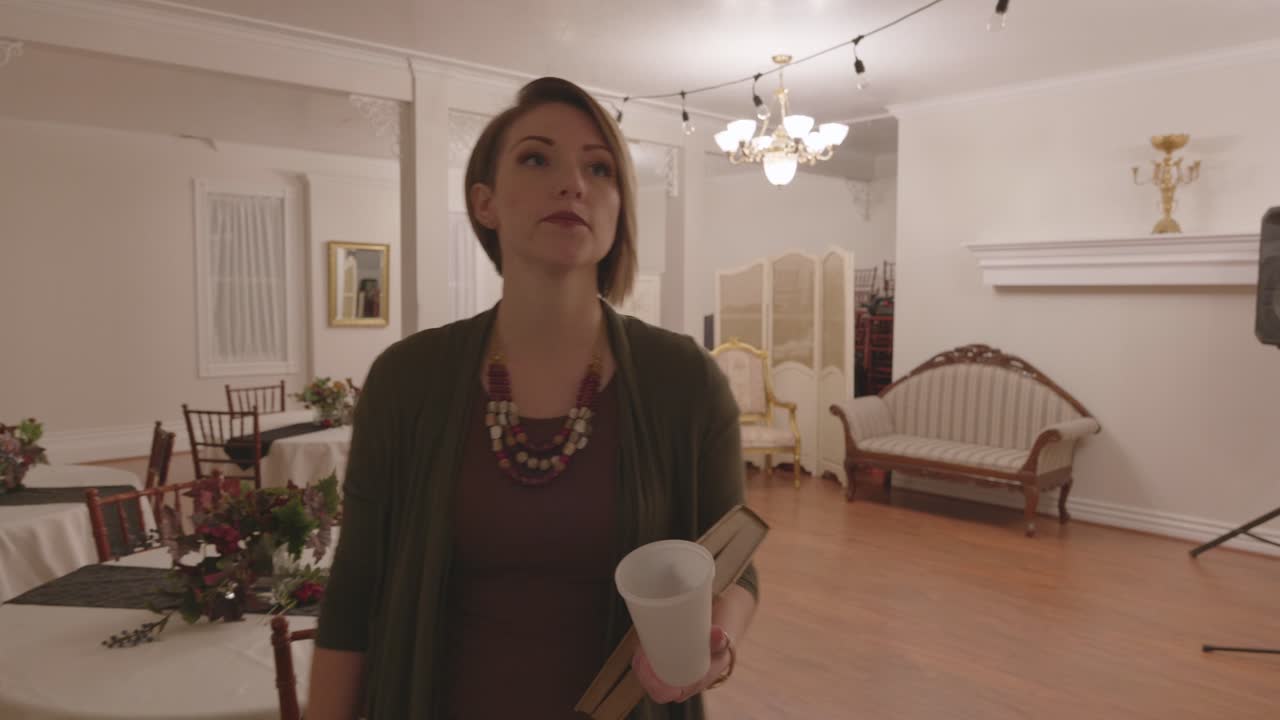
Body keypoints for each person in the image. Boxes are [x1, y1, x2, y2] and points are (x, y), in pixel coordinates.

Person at [307, 76, 758, 720]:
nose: (573, 182)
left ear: (618, 209)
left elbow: (733, 565)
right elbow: (353, 595)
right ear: (484, 202)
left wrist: (718, 639)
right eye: (537, 158)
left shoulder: (682, 380)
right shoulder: (407, 380)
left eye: (598, 168)